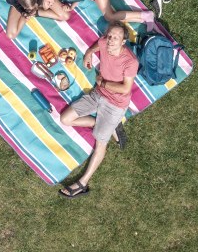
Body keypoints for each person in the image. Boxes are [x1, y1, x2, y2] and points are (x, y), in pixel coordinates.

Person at [58, 21, 139, 198]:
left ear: (123, 41)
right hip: (98, 94)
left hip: (115, 104)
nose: (110, 41)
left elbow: (125, 89)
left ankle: (82, 184)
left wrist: (103, 83)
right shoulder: (104, 42)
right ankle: (109, 126)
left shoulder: (130, 62)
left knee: (100, 144)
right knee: (65, 119)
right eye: (109, 36)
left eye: (116, 38)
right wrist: (88, 53)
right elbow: (98, 44)